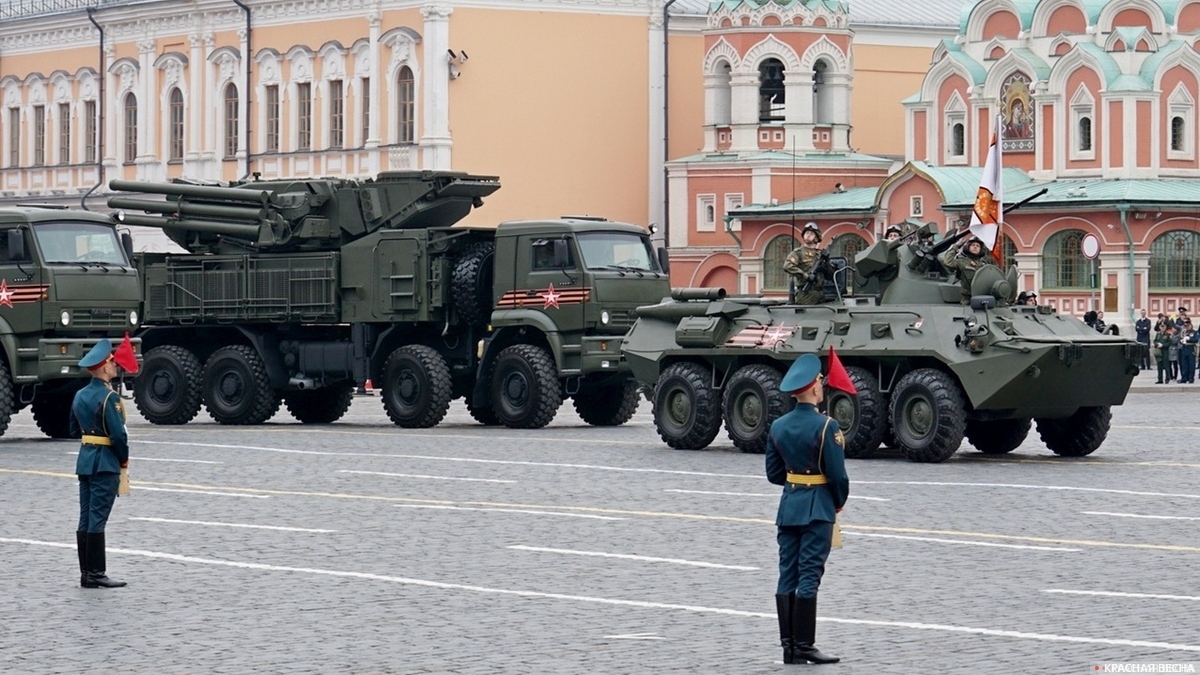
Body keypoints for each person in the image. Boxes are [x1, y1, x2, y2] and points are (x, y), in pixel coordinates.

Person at [766, 354, 849, 665]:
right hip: (818, 509)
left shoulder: (778, 425)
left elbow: (774, 474)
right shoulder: (828, 426)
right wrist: (836, 501)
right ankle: (804, 645)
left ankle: (789, 646)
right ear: (815, 389)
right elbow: (838, 475)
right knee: (809, 576)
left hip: (788, 507)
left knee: (787, 574)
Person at [71, 336, 138, 589]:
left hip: (85, 461)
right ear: (103, 368)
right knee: (97, 519)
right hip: (105, 464)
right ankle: (96, 573)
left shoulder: (79, 395)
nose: (114, 367)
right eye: (111, 363)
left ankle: (86, 573)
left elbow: (71, 427)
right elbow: (118, 435)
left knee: (85, 517)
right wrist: (123, 459)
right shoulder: (110, 399)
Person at [783, 222, 827, 305]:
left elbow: (831, 274)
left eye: (811, 233)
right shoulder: (798, 253)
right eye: (806, 233)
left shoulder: (819, 255)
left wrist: (827, 261)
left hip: (820, 293)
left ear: (816, 238)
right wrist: (805, 276)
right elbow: (787, 266)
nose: (808, 235)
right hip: (806, 294)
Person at [941, 236, 988, 304]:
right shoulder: (961, 261)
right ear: (968, 247)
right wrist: (955, 247)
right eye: (973, 245)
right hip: (967, 300)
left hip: (982, 298)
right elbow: (947, 262)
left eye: (978, 246)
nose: (975, 247)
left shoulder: (984, 265)